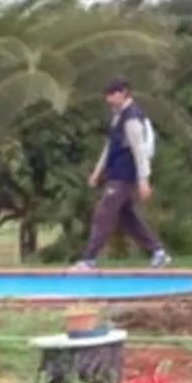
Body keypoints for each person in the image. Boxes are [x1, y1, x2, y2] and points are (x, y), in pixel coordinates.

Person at [75, 82, 168, 270]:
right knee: (127, 217)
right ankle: (158, 252)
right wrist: (97, 172)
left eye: (112, 95)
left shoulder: (132, 118)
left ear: (123, 93)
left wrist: (144, 180)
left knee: (104, 214)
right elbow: (109, 147)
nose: (108, 99)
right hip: (116, 173)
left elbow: (139, 151)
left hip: (125, 175)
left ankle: (89, 259)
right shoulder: (117, 117)